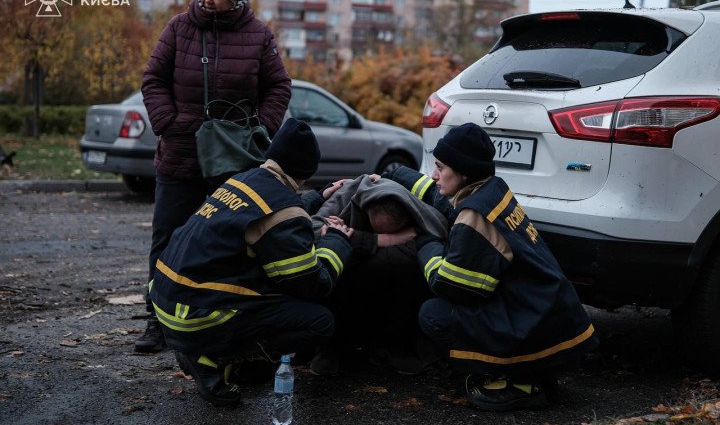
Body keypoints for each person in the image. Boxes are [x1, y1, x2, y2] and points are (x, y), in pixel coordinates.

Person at [385, 123, 599, 411]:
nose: (434, 175)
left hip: (536, 326)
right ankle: (533, 369)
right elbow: (440, 197)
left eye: (440, 167)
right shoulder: (491, 190)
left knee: (435, 314)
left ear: (462, 172)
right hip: (548, 318)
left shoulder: (474, 217)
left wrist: (425, 242)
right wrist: (396, 175)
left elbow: (450, 286)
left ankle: (517, 380)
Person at [137, 0, 291, 353]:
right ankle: (158, 322)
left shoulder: (258, 35)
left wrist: (261, 130)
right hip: (180, 153)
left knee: (230, 240)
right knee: (167, 237)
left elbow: (278, 86)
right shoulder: (178, 28)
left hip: (234, 158)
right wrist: (168, 123)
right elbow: (153, 79)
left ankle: (226, 318)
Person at [149, 118, 353, 407]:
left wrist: (317, 198)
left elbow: (268, 211)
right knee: (319, 321)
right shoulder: (285, 213)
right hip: (196, 315)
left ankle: (200, 348)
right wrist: (337, 241)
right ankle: (213, 359)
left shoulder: (242, 180)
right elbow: (312, 284)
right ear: (308, 169)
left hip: (168, 301)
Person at [308, 175, 447, 376]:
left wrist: (349, 240)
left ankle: (395, 347)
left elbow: (423, 247)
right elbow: (311, 231)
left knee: (405, 271)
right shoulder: (348, 194)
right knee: (335, 267)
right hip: (349, 282)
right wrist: (382, 240)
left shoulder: (424, 215)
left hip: (389, 284)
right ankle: (332, 349)